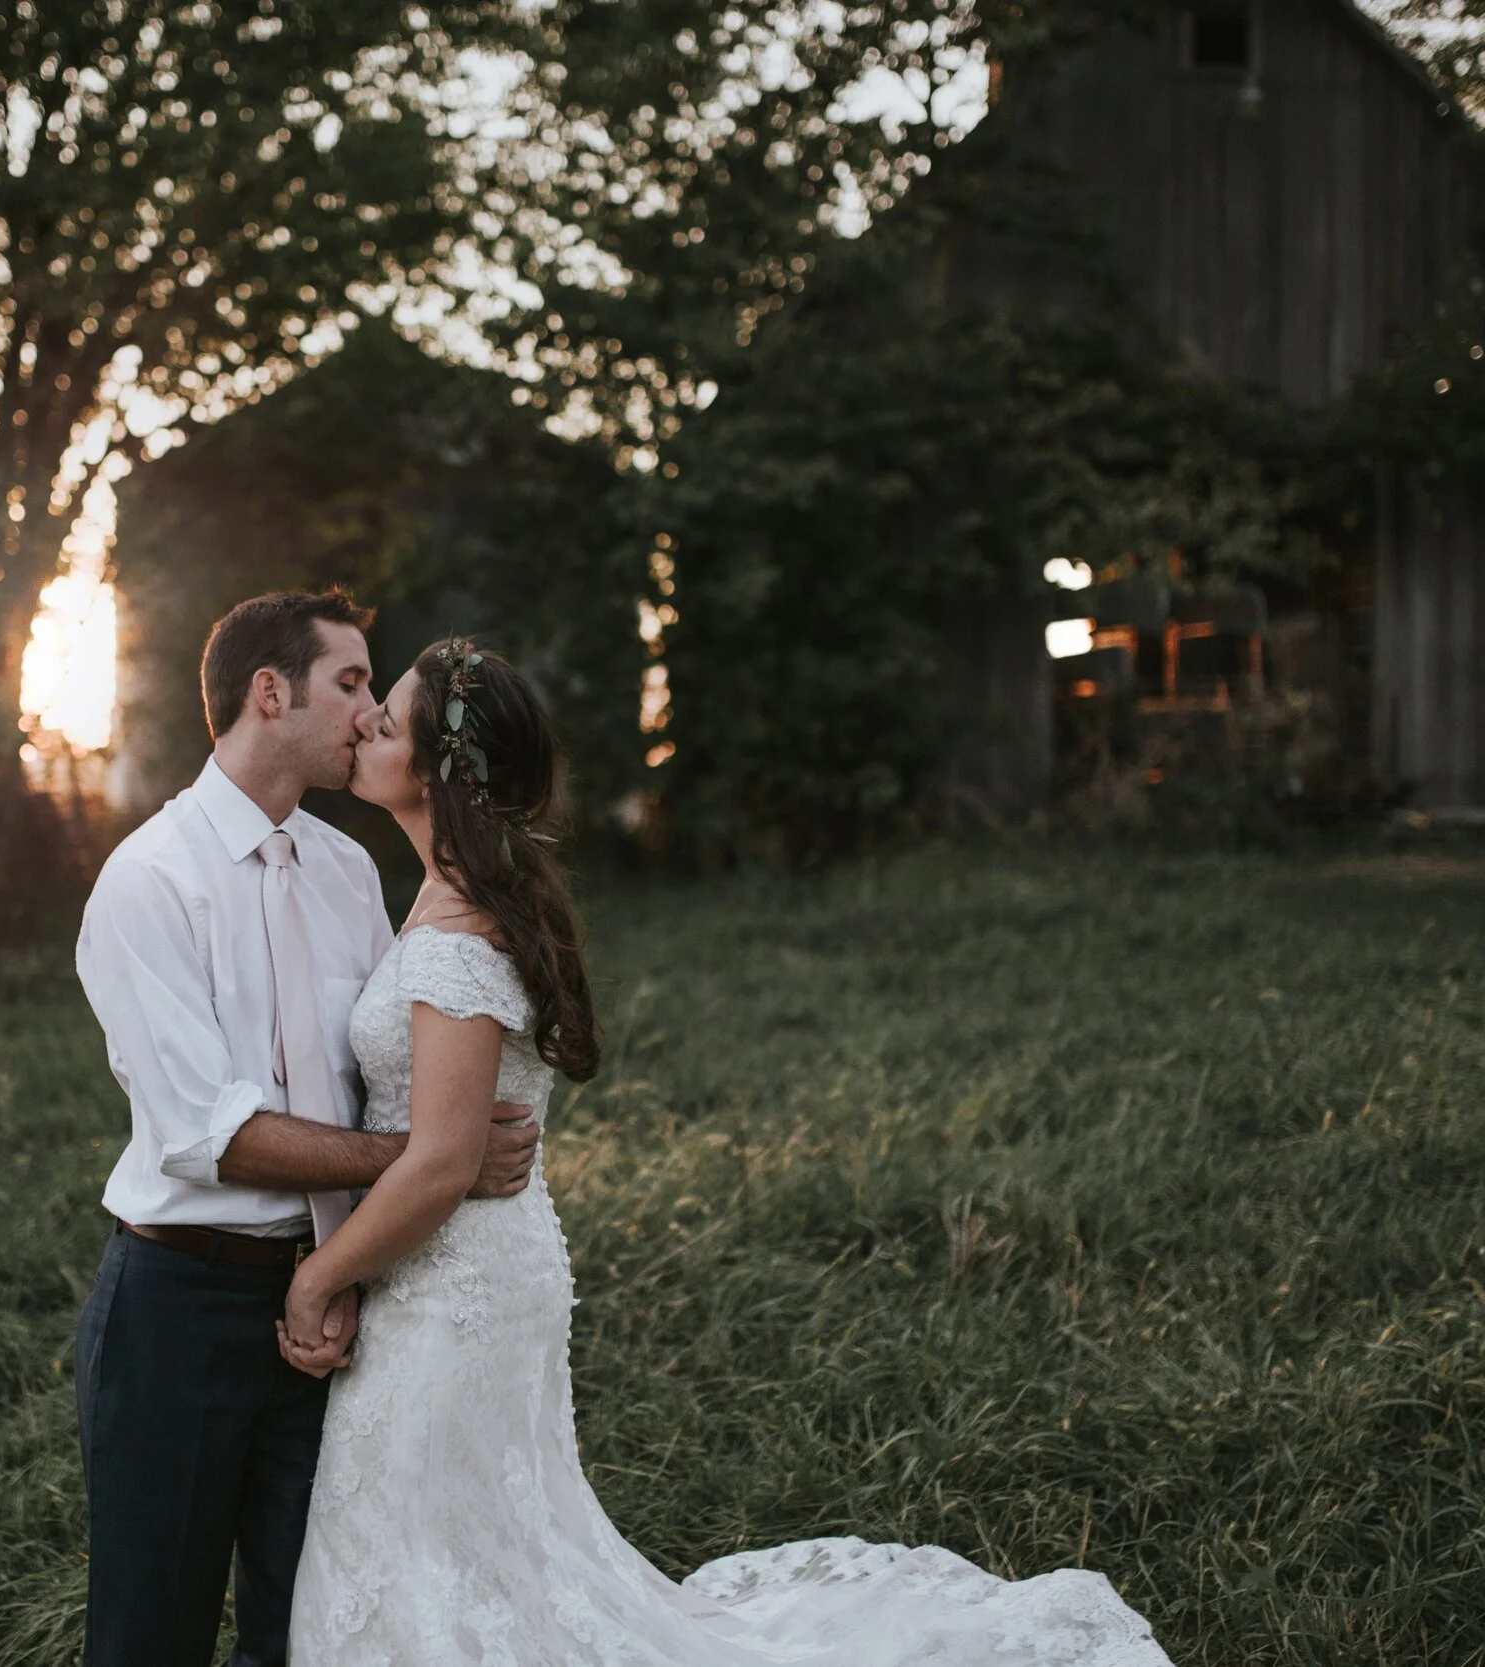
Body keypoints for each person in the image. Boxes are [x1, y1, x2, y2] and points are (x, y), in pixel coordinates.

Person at [279, 636, 1177, 1666]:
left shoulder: (451, 938)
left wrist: (317, 1278)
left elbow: (442, 1163)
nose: (364, 723)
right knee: (471, 1554)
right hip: (475, 1271)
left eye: (387, 718)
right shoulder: (457, 898)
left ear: (440, 771)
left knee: (426, 1556)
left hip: (453, 1289)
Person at [70, 590, 539, 1667]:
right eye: (350, 681)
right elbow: (213, 1137)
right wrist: (437, 1161)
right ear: (269, 693)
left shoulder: (346, 870)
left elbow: (377, 1076)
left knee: (309, 1630)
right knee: (151, 1633)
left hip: (332, 1302)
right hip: (180, 1305)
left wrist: (344, 1265)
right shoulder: (148, 881)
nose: (370, 711)